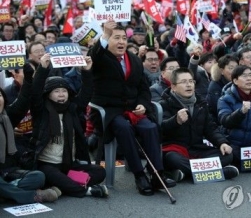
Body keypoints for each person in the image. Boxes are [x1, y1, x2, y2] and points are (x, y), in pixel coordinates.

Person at [88, 21, 175, 196]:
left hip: (133, 109)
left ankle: (156, 173)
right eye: (116, 38)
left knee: (150, 127)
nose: (121, 42)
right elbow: (94, 54)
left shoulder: (134, 59)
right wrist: (105, 34)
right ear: (107, 39)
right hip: (110, 111)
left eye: (123, 38)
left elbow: (143, 88)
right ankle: (139, 175)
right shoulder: (100, 57)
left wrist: (143, 104)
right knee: (124, 128)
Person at [31, 53, 108, 198]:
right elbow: (35, 92)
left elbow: (86, 93)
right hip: (47, 164)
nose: (61, 94)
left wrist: (86, 71)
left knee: (99, 171)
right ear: (48, 94)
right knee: (48, 174)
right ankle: (86, 190)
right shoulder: (41, 110)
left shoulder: (72, 108)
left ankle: (63, 185)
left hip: (69, 164)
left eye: (64, 90)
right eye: (56, 91)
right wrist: (43, 68)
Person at [160, 68, 239, 182]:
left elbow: (210, 128)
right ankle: (219, 173)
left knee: (227, 155)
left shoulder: (201, 103)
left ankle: (186, 173)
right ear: (173, 86)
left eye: (191, 81)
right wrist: (175, 121)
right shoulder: (164, 104)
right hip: (176, 149)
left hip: (197, 149)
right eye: (184, 82)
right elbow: (160, 130)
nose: (188, 85)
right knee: (172, 158)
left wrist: (222, 142)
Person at [0, 65, 59, 204]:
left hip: (7, 171)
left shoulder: (7, 116)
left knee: (38, 177)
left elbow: (23, 101)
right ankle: (32, 196)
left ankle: (6, 192)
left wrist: (27, 79)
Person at [207, 54, 238, 124]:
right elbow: (218, 109)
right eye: (231, 68)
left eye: (236, 68)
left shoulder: (238, 82)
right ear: (221, 71)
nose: (234, 71)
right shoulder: (214, 86)